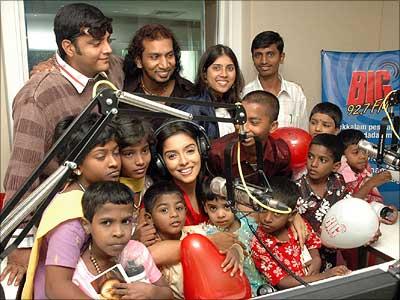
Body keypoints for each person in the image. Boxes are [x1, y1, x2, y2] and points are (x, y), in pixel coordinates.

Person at [1, 3, 124, 286]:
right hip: (66, 218)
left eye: (108, 40)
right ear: (69, 47)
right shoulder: (37, 96)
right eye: (95, 43)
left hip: (108, 214)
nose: (107, 49)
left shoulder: (112, 71)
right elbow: (22, 173)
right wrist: (21, 244)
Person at [22, 113, 121, 299]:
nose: (114, 163)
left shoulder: (89, 194)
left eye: (115, 152)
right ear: (76, 166)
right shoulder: (72, 216)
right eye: (101, 156)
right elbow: (57, 287)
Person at [143, 181, 244, 299]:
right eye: (164, 210)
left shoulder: (199, 231)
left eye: (179, 208)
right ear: (149, 218)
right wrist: (207, 242)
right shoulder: (149, 245)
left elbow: (234, 243)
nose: (174, 214)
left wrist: (235, 252)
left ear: (186, 210)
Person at [73, 181, 172, 299]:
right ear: (86, 225)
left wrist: (151, 292)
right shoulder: (79, 276)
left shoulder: (136, 251)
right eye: (107, 222)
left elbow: (168, 294)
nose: (119, 232)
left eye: (125, 221)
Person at [251, 177, 350, 289]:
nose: (267, 218)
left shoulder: (298, 227)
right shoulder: (259, 243)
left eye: (277, 214)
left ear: (291, 216)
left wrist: (316, 258)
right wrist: (324, 276)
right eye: (264, 209)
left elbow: (312, 242)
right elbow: (282, 282)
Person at [337, 129, 397, 270]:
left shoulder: (365, 170)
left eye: (365, 152)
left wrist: (384, 212)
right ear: (342, 157)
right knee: (350, 270)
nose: (363, 156)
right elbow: (348, 206)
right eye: (356, 152)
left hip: (369, 232)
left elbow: (372, 200)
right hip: (349, 236)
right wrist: (371, 183)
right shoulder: (340, 176)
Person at [200, 177, 268, 296]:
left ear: (236, 203)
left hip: (265, 288)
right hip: (239, 293)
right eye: (213, 208)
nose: (220, 214)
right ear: (205, 207)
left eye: (226, 206)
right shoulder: (210, 235)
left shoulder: (250, 223)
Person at [209, 90, 292, 185]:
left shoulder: (281, 154)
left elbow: (282, 192)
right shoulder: (218, 153)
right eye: (240, 120)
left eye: (254, 122)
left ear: (273, 126)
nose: (243, 129)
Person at [174, 44, 244, 139]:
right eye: (216, 68)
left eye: (230, 68)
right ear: (204, 74)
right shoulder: (192, 108)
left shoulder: (237, 106)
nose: (224, 74)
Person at [242, 31, 307, 129]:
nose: (264, 61)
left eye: (270, 54)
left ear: (281, 57)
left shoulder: (296, 93)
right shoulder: (244, 94)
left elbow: (303, 132)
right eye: (258, 55)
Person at [123, 23, 194, 99]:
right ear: (139, 61)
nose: (165, 65)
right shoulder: (125, 92)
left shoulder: (191, 93)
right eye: (155, 57)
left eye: (170, 55)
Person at [293, 102, 343, 180]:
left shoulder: (341, 159)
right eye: (313, 123)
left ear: (336, 131)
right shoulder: (297, 148)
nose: (317, 129)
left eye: (325, 125)